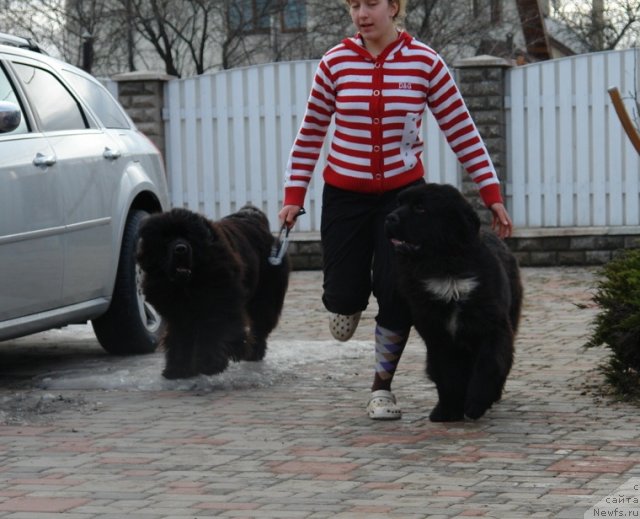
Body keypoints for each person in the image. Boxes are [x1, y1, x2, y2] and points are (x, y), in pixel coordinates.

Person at [278, 0, 513, 420]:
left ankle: (381, 389)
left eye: (371, 4)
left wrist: (491, 191)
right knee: (343, 296)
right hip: (344, 197)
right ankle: (346, 301)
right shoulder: (334, 63)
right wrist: (293, 196)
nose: (362, 14)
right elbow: (311, 132)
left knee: (398, 293)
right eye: (354, 5)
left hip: (404, 199)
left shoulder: (425, 62)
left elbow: (461, 129)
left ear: (393, 7)